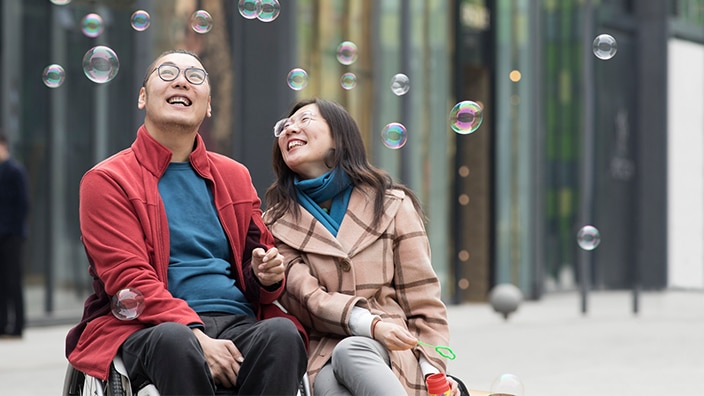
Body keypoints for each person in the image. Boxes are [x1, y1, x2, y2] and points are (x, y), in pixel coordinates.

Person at [65, 49, 307, 395]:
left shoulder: (234, 176)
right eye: (167, 73)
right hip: (148, 327)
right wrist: (197, 337)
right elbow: (129, 281)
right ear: (142, 97)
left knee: (283, 336)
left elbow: (258, 269)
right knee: (175, 340)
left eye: (195, 77)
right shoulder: (107, 180)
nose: (181, 80)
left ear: (208, 106)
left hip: (236, 322)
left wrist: (267, 276)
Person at [264, 98, 459, 396]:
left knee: (350, 353)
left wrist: (433, 371)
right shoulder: (275, 224)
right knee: (331, 380)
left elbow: (424, 303)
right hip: (323, 349)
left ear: (338, 138)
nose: (290, 129)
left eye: (304, 120)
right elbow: (309, 298)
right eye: (285, 126)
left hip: (395, 349)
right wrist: (370, 325)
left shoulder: (392, 205)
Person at [0, 131, 29, 339]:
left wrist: (15, 230)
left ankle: (18, 325)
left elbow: (23, 205)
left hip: (13, 235)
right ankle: (3, 324)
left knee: (13, 280)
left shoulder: (15, 171)